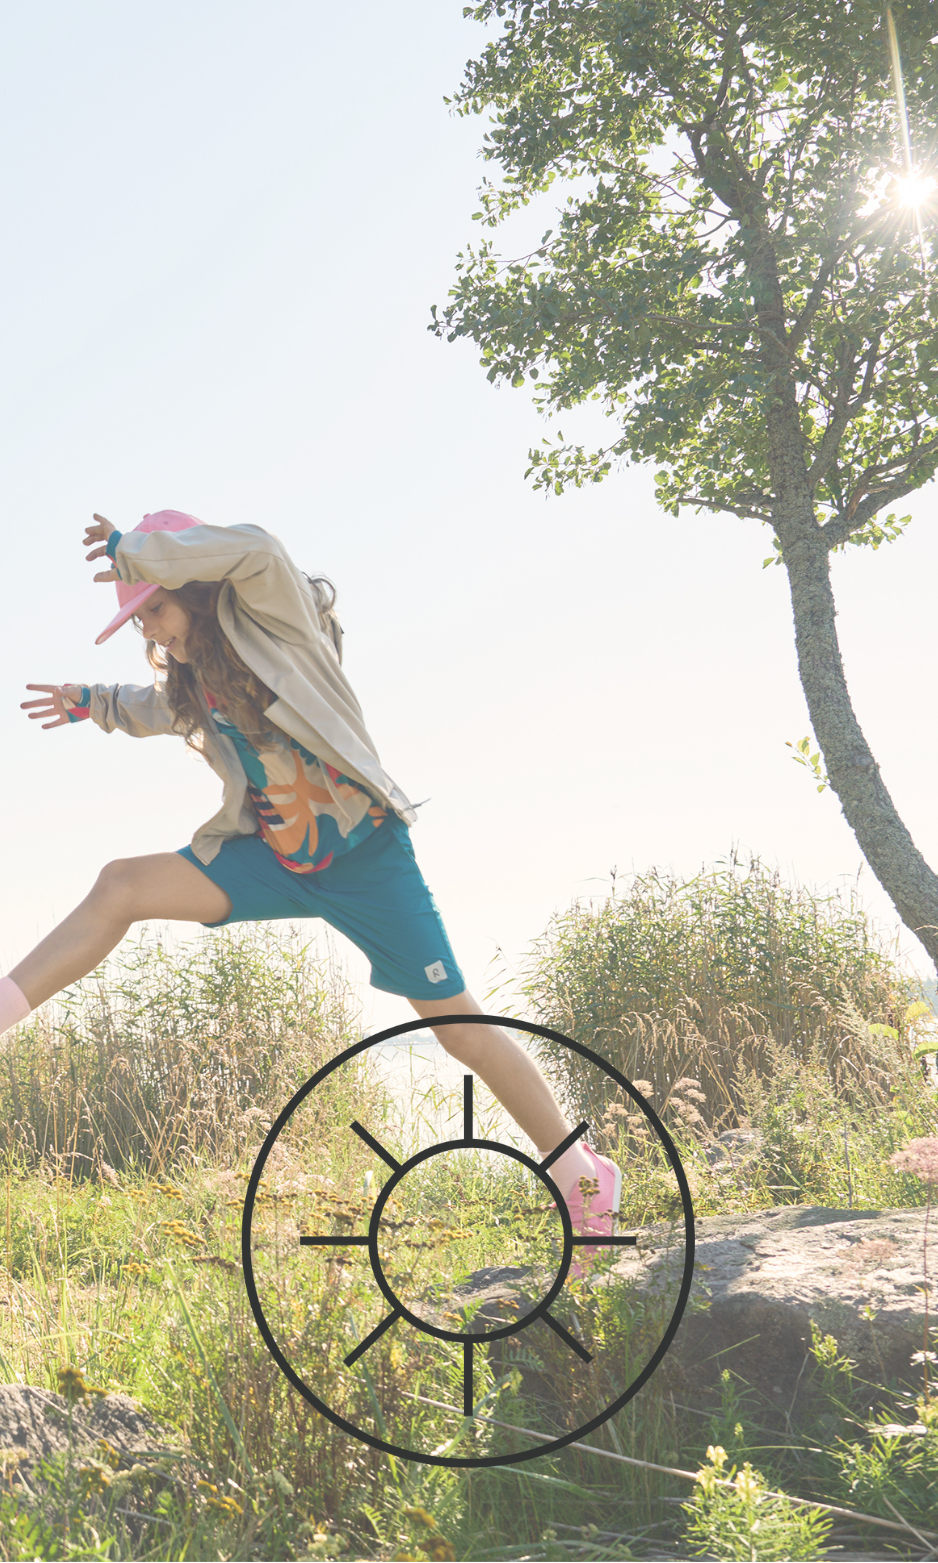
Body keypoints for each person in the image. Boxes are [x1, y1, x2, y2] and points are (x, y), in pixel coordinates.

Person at [2, 509, 622, 1273]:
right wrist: (91, 702)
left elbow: (258, 548)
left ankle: (581, 1174)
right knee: (121, 883)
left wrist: (135, 548)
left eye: (157, 610)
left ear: (194, 589)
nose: (155, 635)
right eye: (143, 626)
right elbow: (150, 708)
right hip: (276, 860)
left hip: (369, 861)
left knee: (459, 1027)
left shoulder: (281, 629)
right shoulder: (196, 683)